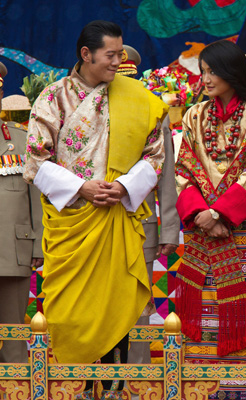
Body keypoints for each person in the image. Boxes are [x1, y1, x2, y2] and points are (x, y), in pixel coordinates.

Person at [24, 20, 168, 398]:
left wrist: (123, 186)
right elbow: (36, 160)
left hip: (117, 217)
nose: (118, 61)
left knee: (116, 305)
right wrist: (81, 187)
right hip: (73, 222)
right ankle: (80, 386)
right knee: (74, 309)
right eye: (111, 54)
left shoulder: (136, 96)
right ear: (86, 54)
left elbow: (156, 154)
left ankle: (115, 387)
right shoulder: (53, 97)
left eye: (121, 53)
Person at [174, 40, 246, 396]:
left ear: (232, 72)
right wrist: (200, 213)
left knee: (245, 300)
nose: (206, 78)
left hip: (240, 222)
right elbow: (183, 168)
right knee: (202, 302)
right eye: (203, 71)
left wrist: (219, 213)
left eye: (213, 70)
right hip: (200, 223)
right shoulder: (193, 116)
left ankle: (244, 386)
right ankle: (202, 385)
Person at [116, 44, 180, 366]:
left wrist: (169, 227)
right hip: (94, 223)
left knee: (140, 302)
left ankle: (136, 375)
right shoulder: (87, 111)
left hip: (141, 225)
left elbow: (166, 176)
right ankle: (99, 377)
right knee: (99, 300)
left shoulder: (153, 111)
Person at [0, 62, 44, 363]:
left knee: (13, 333)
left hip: (13, 249)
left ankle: (16, 390)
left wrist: (39, 243)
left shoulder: (20, 139)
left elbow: (37, 196)